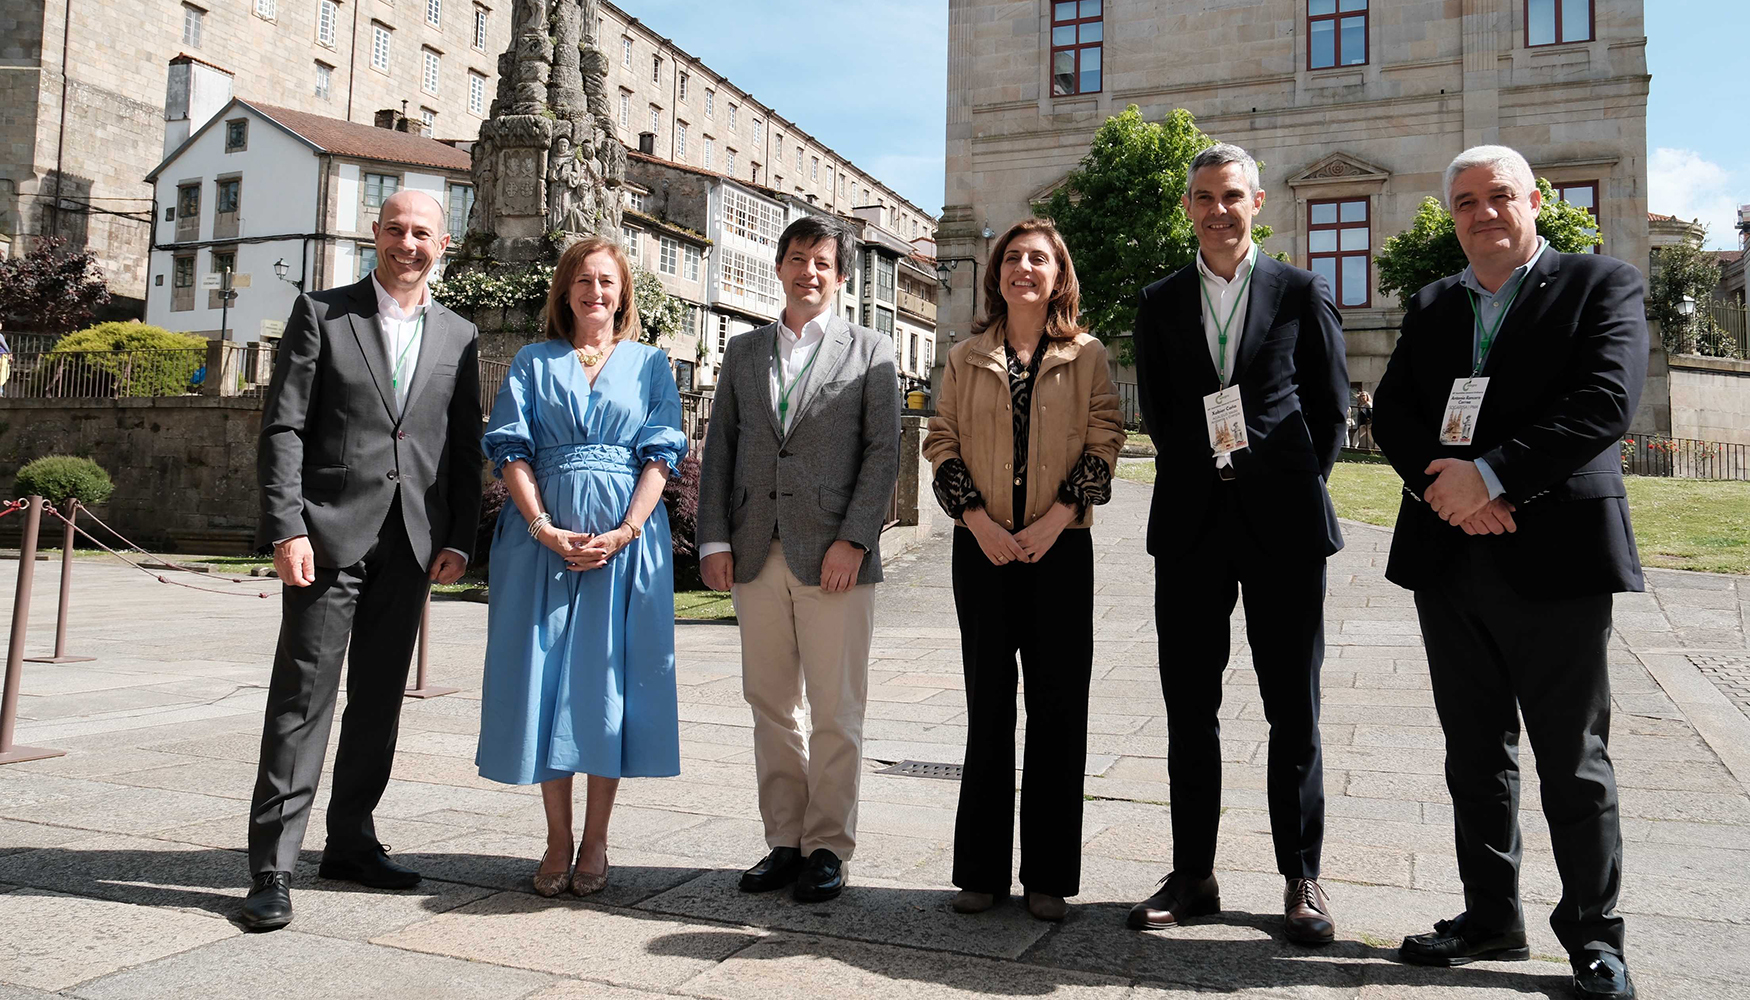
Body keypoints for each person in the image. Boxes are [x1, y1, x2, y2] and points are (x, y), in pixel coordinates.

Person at [1372, 145, 1645, 1000]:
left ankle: (1595, 939)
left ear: (1535, 201)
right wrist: (1442, 486)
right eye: (1464, 203)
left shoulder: (1602, 285)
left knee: (1573, 757)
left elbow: (1604, 402)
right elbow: (1394, 413)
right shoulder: (1433, 304)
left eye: (1498, 197)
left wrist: (1490, 476)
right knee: (1474, 752)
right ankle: (1491, 915)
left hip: (1555, 553)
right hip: (1451, 556)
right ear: (1450, 216)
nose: (1483, 213)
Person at [1127, 142, 1349, 945]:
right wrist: (1212, 471)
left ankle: (1302, 878)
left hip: (1283, 527)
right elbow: (1156, 408)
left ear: (1258, 203)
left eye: (1231, 196)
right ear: (1186, 207)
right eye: (1202, 197)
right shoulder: (1160, 300)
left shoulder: (1298, 291)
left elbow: (1330, 411)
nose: (1217, 210)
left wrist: (1277, 478)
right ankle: (1194, 875)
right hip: (1189, 526)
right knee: (1191, 709)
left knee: (1295, 707)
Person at [243, 190, 482, 931]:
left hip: (412, 544)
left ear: (444, 244)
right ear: (374, 234)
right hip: (326, 538)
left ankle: (350, 842)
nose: (407, 243)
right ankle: (273, 868)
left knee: (378, 704)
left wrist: (459, 537)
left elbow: (463, 446)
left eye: (422, 233)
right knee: (302, 700)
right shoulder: (323, 313)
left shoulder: (460, 335)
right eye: (396, 230)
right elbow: (284, 428)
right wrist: (287, 528)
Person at [922, 219, 1124, 922]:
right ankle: (979, 871)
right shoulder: (964, 356)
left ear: (1057, 274)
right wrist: (978, 522)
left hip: (1060, 551)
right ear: (997, 274)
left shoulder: (1087, 354)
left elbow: (1106, 439)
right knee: (988, 712)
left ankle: (1048, 876)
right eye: (1012, 258)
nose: (1024, 268)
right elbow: (940, 442)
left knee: (1059, 712)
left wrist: (1054, 520)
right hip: (980, 553)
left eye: (1038, 258)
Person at [695, 215, 900, 903]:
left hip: (835, 557)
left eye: (820, 262)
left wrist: (855, 537)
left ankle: (828, 848)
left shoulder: (871, 350)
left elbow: (883, 453)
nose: (807, 272)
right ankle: (784, 840)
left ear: (840, 277)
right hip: (756, 552)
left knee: (837, 709)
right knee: (770, 703)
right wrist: (715, 539)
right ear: (778, 269)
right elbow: (720, 446)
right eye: (796, 260)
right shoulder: (744, 353)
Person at [474, 236, 687, 897]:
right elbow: (510, 449)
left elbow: (661, 456)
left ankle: (595, 840)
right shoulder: (533, 362)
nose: (597, 291)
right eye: (585, 280)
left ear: (624, 293)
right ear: (565, 291)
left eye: (609, 281)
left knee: (605, 688)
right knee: (546, 683)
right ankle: (557, 837)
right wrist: (541, 526)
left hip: (625, 550)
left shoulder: (652, 364)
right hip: (541, 545)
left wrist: (626, 530)